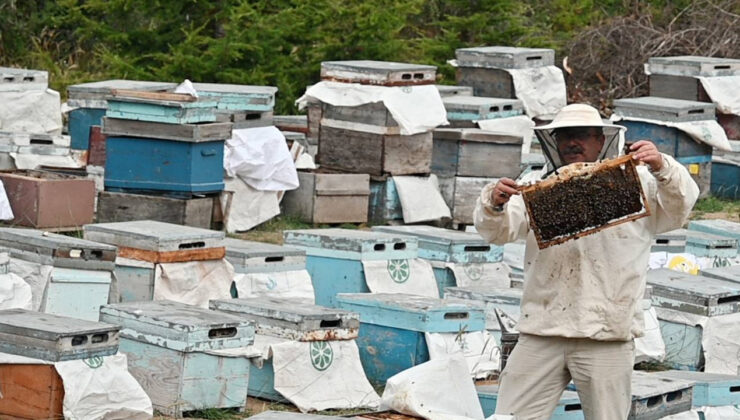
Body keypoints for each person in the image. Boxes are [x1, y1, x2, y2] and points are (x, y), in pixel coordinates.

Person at [473, 104, 699, 420]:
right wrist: (494, 204)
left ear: (600, 140)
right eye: (564, 136)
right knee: (508, 417)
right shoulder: (538, 185)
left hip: (606, 333)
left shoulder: (638, 183)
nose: (571, 143)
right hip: (543, 329)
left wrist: (663, 167)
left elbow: (680, 206)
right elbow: (498, 231)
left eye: (580, 135)